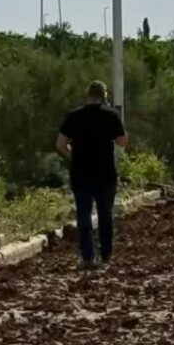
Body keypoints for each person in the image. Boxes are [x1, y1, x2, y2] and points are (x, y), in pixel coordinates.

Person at [55, 81, 128, 269]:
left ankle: (87, 257)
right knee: (105, 213)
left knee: (83, 214)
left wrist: (73, 156)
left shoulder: (73, 116)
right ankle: (106, 254)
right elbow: (122, 142)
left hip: (81, 172)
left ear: (87, 94)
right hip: (105, 173)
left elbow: (60, 145)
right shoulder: (111, 115)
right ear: (104, 95)